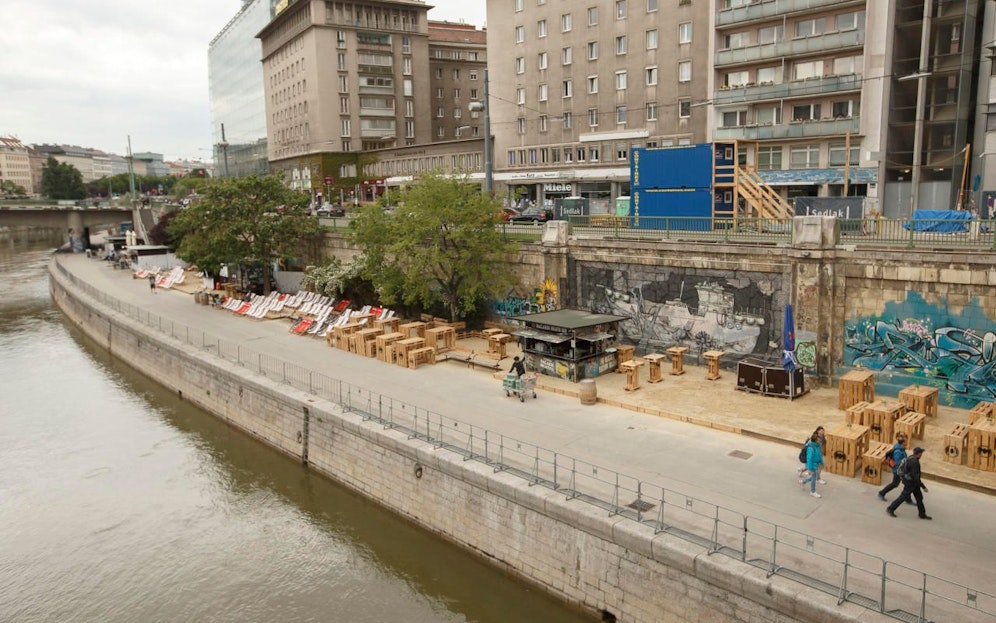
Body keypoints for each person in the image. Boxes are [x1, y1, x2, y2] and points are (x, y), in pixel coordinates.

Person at [886, 447, 931, 520]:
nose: (921, 454)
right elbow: (916, 476)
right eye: (921, 453)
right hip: (911, 483)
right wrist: (923, 487)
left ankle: (922, 514)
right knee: (903, 497)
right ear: (918, 454)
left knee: (919, 498)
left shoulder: (910, 457)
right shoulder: (914, 462)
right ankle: (890, 508)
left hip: (911, 482)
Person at [878, 434, 913, 503]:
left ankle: (908, 499)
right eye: (906, 441)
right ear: (903, 443)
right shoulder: (898, 452)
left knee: (906, 484)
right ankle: (882, 493)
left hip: (901, 470)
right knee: (896, 484)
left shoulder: (901, 449)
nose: (907, 442)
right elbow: (897, 463)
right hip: (898, 471)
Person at [798, 431, 825, 498]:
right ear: (815, 440)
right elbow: (809, 459)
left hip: (816, 464)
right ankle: (812, 491)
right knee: (814, 478)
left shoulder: (816, 446)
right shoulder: (811, 448)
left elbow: (819, 455)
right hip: (812, 465)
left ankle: (802, 482)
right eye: (818, 440)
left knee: (814, 477)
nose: (819, 441)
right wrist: (809, 469)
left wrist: (822, 463)